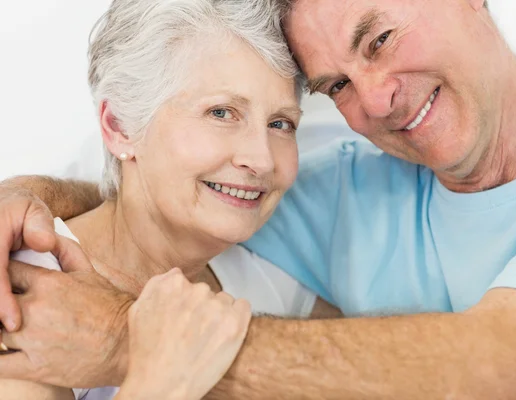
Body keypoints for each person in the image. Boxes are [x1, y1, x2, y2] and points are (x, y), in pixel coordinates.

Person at [1, 0, 516, 398]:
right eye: (336, 85)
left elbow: (500, 364)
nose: (377, 98)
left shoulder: (277, 255)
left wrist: (129, 340)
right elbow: (150, 196)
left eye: (382, 39)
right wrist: (23, 199)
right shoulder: (326, 194)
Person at [0, 0, 342, 398]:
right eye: (221, 113)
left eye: (281, 123)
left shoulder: (274, 279)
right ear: (120, 127)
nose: (262, 159)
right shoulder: (27, 296)